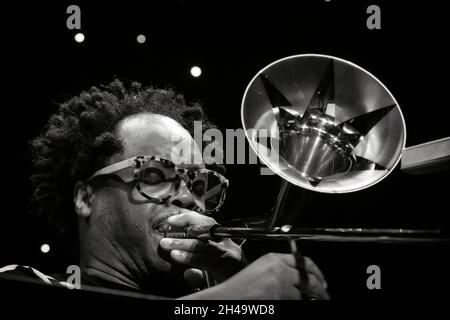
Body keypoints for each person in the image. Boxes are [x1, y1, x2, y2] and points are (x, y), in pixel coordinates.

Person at [0, 80, 329, 299]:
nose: (189, 200)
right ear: (86, 198)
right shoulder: (21, 280)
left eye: (199, 185)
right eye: (156, 176)